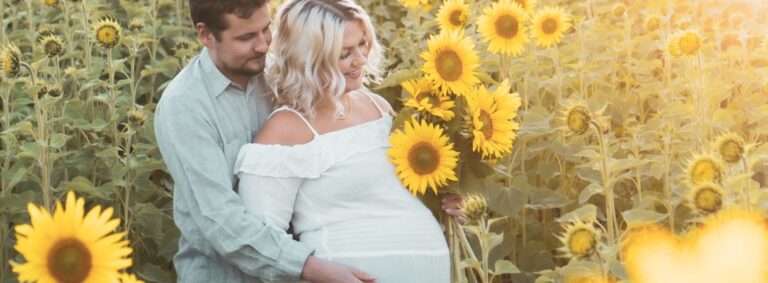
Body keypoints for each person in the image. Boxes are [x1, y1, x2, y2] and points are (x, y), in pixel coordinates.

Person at [154, 0, 462, 282]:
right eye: (246, 38)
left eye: (266, 29)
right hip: (225, 275)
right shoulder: (186, 106)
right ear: (205, 35)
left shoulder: (279, 75)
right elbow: (219, 219)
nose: (263, 45)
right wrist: (311, 267)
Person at [234, 0, 450, 282]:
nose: (360, 59)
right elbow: (262, 240)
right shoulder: (286, 129)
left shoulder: (379, 107)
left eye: (362, 44)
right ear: (309, 57)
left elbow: (398, 194)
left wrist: (446, 203)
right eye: (345, 53)